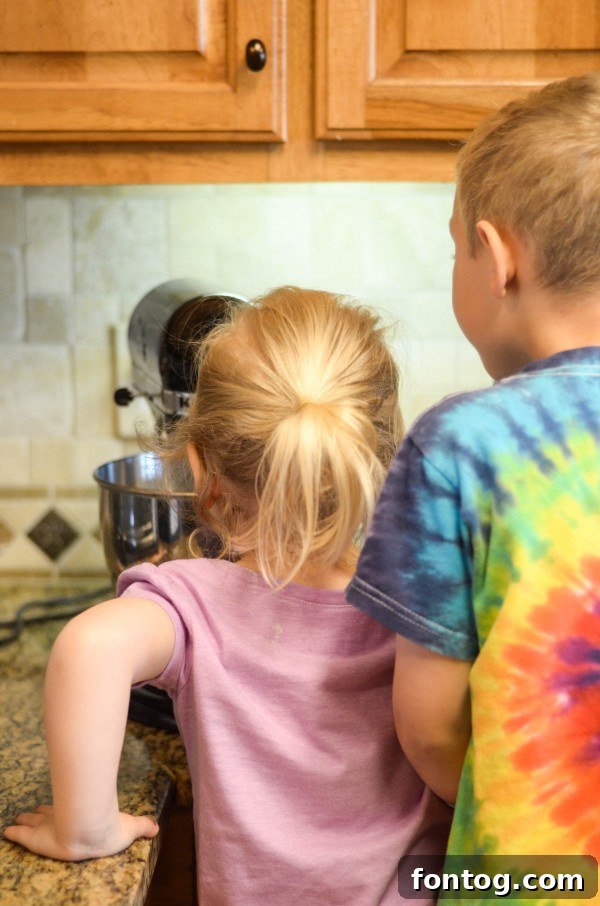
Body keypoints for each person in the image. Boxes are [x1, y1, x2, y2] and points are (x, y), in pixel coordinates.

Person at [4, 287, 452, 904]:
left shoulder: (194, 603)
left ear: (200, 472)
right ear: (380, 454)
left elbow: (89, 646)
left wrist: (87, 828)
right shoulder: (418, 598)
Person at [346, 71, 600, 882]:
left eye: (456, 244)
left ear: (495, 259)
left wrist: (513, 807)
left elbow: (428, 729)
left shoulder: (460, 445)